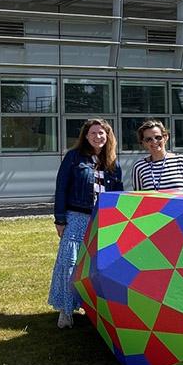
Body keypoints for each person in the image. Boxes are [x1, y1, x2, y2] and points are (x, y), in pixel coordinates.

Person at [49, 118, 122, 329]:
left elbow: (118, 192)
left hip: (103, 220)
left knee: (98, 266)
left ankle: (92, 308)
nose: (97, 137)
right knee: (69, 263)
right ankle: (65, 310)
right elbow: (61, 188)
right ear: (86, 136)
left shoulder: (112, 161)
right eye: (93, 133)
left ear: (107, 136)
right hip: (77, 217)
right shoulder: (74, 157)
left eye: (101, 133)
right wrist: (60, 219)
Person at [130, 119, 183, 192]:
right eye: (148, 139)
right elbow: (138, 197)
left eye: (158, 137)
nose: (154, 141)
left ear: (165, 137)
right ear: (143, 143)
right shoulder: (139, 167)